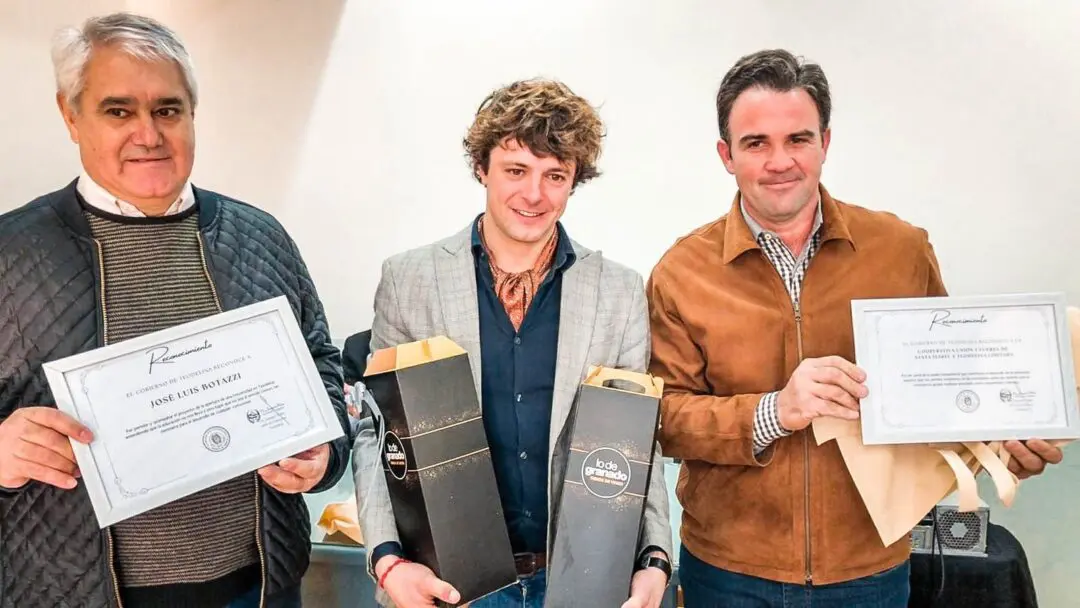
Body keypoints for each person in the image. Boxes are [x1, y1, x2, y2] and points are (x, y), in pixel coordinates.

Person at [646, 48, 1063, 607]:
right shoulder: (682, 272)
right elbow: (666, 420)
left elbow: (945, 394)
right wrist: (774, 411)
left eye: (798, 139)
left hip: (869, 570)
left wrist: (1003, 446)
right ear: (726, 155)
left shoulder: (901, 250)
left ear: (825, 143)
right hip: (729, 571)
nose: (780, 161)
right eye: (756, 143)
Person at [0, 12, 351, 608]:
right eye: (118, 111)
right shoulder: (11, 252)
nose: (149, 134)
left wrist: (324, 453)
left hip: (260, 588)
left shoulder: (260, 236)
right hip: (76, 595)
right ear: (70, 115)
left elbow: (321, 363)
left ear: (192, 114)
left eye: (167, 110)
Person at [353, 78, 673, 608]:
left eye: (555, 176)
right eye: (516, 170)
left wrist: (655, 558)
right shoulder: (410, 280)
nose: (534, 195)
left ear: (574, 182)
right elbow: (378, 432)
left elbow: (640, 442)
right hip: (447, 584)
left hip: (579, 583)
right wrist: (388, 562)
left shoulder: (618, 292)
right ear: (482, 167)